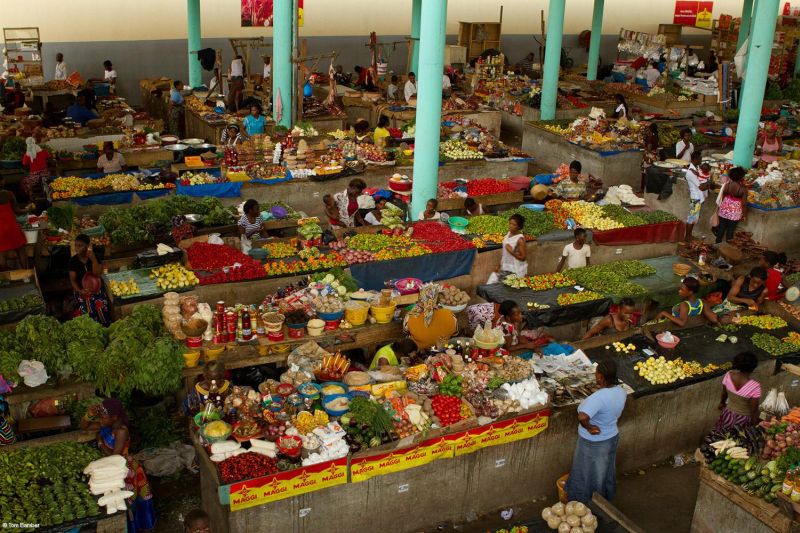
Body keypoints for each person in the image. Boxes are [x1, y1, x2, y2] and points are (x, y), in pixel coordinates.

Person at [80, 399, 156, 532]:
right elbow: (84, 426)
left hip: (124, 469)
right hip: (111, 467)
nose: (101, 420)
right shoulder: (106, 425)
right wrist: (89, 414)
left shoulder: (121, 431)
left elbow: (114, 458)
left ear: (114, 417)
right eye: (100, 417)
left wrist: (100, 442)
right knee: (116, 500)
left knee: (127, 501)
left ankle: (138, 527)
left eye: (103, 417)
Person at [565, 359, 627, 504]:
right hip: (611, 436)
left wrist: (589, 427)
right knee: (605, 470)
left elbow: (582, 416)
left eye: (596, 373)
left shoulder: (599, 398)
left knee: (587, 473)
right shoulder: (620, 391)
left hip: (593, 442)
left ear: (600, 377)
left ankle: (588, 503)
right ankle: (605, 499)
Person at [69, 234, 110, 325]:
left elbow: (97, 274)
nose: (76, 248)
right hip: (81, 290)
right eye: (76, 245)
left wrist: (94, 260)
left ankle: (104, 325)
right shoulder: (73, 261)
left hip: (96, 289)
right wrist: (80, 291)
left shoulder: (94, 257)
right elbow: (73, 280)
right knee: (84, 309)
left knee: (100, 305)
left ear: (87, 246)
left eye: (80, 246)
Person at [715, 352, 761, 431]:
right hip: (743, 420)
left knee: (722, 435)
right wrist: (756, 426)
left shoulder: (728, 375)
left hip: (728, 414)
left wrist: (722, 403)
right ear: (753, 368)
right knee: (736, 439)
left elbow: (724, 394)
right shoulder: (755, 387)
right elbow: (754, 411)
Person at [404, 283, 458, 350]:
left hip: (419, 350)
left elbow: (405, 331)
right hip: (442, 349)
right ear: (438, 300)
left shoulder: (410, 316)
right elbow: (454, 333)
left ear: (420, 300)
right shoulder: (449, 314)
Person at [0, 175, 29, 269]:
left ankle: (5, 280)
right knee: (21, 250)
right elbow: (17, 211)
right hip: (12, 227)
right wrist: (28, 209)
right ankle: (26, 275)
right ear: (3, 181)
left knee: (1, 254)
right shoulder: (9, 194)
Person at [714, 166, 747, 244]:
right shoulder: (743, 189)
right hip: (735, 212)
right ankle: (728, 248)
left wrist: (723, 207)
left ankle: (717, 244)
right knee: (730, 230)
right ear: (741, 177)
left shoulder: (727, 185)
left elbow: (723, 196)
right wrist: (744, 214)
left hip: (724, 209)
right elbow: (744, 204)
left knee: (721, 228)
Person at [684, 151, 708, 243]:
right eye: (700, 159)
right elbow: (701, 187)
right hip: (695, 198)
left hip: (697, 197)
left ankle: (689, 236)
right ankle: (687, 237)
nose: (701, 161)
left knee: (694, 218)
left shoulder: (695, 169)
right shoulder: (690, 173)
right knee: (691, 218)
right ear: (696, 159)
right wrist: (709, 183)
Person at [499, 214, 528, 278]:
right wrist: (499, 265)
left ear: (519, 227)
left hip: (515, 270)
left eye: (514, 225)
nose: (511, 226)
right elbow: (504, 252)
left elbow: (523, 258)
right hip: (505, 267)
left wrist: (512, 252)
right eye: (510, 223)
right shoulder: (508, 233)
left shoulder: (520, 239)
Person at [641, 122, 660, 192]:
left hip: (649, 157)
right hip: (655, 156)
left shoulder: (650, 138)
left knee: (645, 173)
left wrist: (643, 145)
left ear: (651, 129)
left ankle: (643, 189)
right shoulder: (656, 137)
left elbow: (649, 149)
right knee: (652, 172)